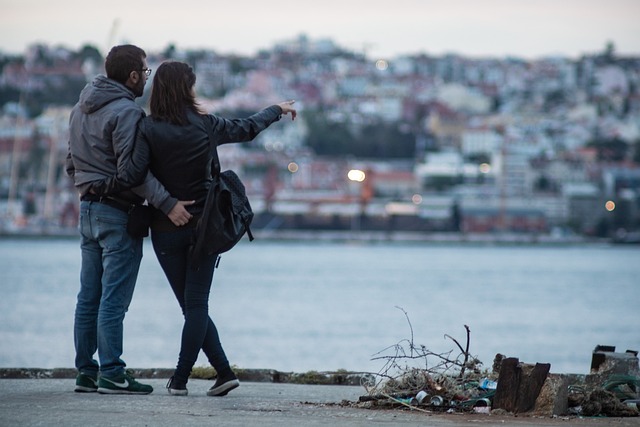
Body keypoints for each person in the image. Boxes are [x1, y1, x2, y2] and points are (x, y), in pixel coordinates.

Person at [134, 60, 296, 396]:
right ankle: (222, 372)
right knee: (196, 306)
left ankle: (180, 380)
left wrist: (165, 202)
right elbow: (248, 127)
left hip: (165, 226)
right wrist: (276, 110)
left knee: (191, 306)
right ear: (187, 89)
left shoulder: (147, 129)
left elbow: (135, 174)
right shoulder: (207, 125)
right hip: (205, 226)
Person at [66, 45, 192, 395]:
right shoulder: (128, 113)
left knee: (88, 296)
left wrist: (87, 188)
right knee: (114, 300)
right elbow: (134, 172)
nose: (146, 79)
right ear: (133, 75)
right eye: (145, 73)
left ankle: (86, 372)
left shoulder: (79, 108)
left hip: (87, 210)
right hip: (117, 213)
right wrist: (168, 204)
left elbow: (70, 163)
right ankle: (112, 372)